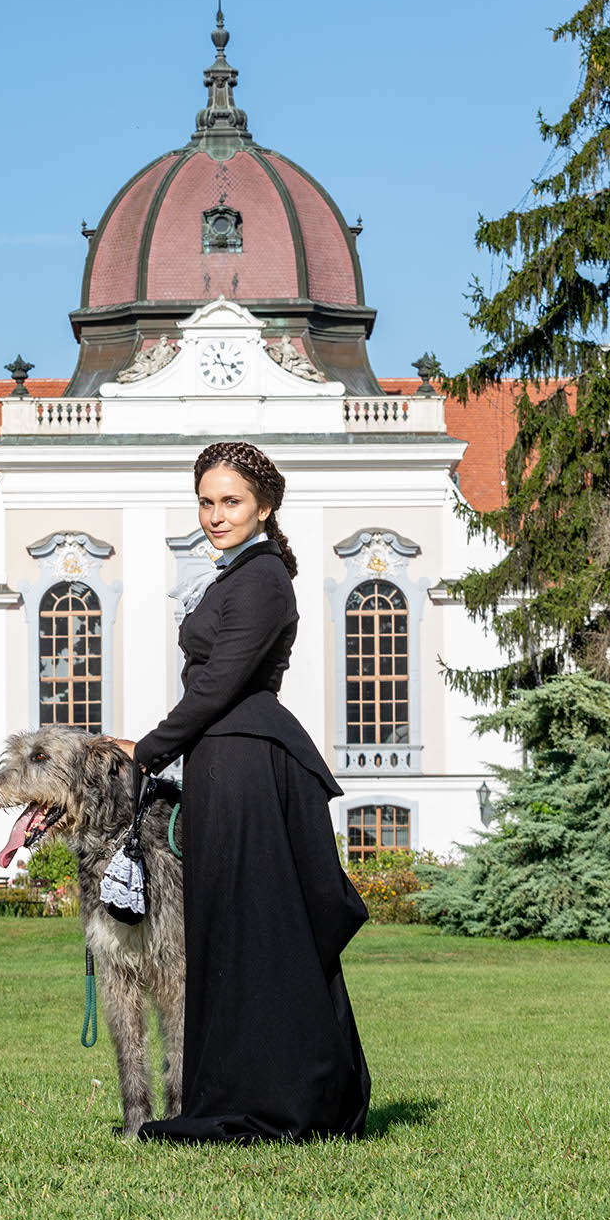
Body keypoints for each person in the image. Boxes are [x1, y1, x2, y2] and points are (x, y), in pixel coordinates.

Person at [110, 441, 371, 1143]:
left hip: (248, 763)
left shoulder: (262, 579)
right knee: (235, 929)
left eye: (231, 501)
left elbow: (220, 684)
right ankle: (245, 1090)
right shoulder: (242, 575)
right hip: (226, 761)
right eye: (206, 501)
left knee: (258, 929)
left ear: (265, 506)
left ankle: (278, 1098)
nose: (215, 514)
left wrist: (149, 748)